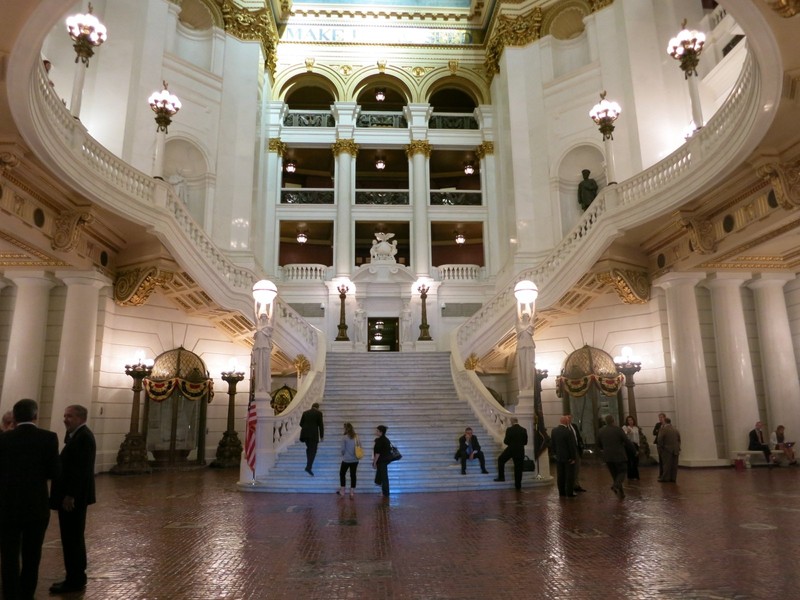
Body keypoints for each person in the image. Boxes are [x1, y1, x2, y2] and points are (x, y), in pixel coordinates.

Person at [0, 399, 60, 600]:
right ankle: (27, 594)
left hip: (7, 506)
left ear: (15, 418)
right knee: (32, 555)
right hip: (36, 506)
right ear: (35, 416)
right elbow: (54, 472)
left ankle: (10, 594)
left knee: (8, 555)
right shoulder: (48, 438)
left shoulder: (4, 439)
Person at [49, 404, 96, 595]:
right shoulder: (77, 435)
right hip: (74, 496)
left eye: (69, 416)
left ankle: (74, 580)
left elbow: (80, 471)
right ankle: (75, 576)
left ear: (80, 418)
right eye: (65, 415)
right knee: (72, 537)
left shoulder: (83, 437)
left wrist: (70, 495)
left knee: (72, 538)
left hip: (73, 499)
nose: (65, 419)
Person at [597, 415, 630, 498]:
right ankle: (616, 486)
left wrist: (604, 449)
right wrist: (634, 451)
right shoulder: (618, 429)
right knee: (622, 471)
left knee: (615, 475)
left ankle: (621, 493)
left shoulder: (601, 431)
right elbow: (626, 440)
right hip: (619, 455)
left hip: (608, 456)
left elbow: (598, 444)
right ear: (613, 421)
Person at [494, 418, 528, 490]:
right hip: (520, 450)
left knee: (501, 459)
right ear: (517, 421)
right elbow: (525, 442)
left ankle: (501, 477)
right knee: (518, 468)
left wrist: (512, 444)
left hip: (511, 449)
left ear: (512, 422)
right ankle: (518, 486)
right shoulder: (523, 430)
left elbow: (506, 441)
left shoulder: (509, 429)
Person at [550, 416, 577, 497]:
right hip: (568, 457)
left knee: (560, 475)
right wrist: (573, 457)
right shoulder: (568, 432)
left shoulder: (554, 431)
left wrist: (554, 454)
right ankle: (569, 492)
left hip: (559, 456)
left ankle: (561, 492)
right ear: (566, 422)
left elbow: (553, 444)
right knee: (569, 475)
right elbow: (571, 446)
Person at [299, 402, 324, 476]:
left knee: (309, 449)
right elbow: (321, 425)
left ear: (312, 406)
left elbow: (301, 424)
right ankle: (308, 467)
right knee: (313, 451)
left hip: (305, 435)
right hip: (313, 435)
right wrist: (322, 436)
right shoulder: (319, 413)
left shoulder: (305, 413)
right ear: (318, 407)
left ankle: (308, 465)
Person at [338, 422, 360, 498]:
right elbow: (360, 446)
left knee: (342, 474)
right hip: (355, 460)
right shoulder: (356, 436)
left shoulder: (344, 437)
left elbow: (343, 450)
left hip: (346, 460)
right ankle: (352, 492)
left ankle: (342, 491)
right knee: (353, 475)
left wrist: (343, 453)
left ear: (346, 429)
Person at [515, 311, 536, 391]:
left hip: (529, 346)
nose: (525, 317)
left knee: (529, 366)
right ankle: (523, 386)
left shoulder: (530, 324)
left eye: (527, 316)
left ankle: (529, 385)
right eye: (523, 316)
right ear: (522, 317)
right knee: (522, 366)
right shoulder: (519, 326)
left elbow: (534, 313)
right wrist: (517, 301)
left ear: (529, 317)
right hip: (521, 346)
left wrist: (534, 300)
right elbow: (516, 316)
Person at [565, 414, 586, 492]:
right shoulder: (564, 428)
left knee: (577, 469)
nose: (569, 419)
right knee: (570, 470)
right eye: (568, 417)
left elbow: (578, 437)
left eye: (570, 417)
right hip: (569, 452)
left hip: (577, 450)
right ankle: (570, 486)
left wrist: (581, 445)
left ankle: (576, 485)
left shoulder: (574, 426)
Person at [657, 418, 681, 482]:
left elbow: (659, 439)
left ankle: (665, 478)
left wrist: (660, 448)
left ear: (665, 422)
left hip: (666, 449)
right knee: (674, 465)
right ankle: (673, 478)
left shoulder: (663, 429)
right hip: (675, 449)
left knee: (666, 465)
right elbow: (679, 439)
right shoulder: (675, 429)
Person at [373, 425, 392, 497]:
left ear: (381, 432)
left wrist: (374, 463)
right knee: (382, 476)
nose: (376, 432)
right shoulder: (386, 440)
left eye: (377, 431)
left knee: (383, 477)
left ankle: (385, 493)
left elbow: (377, 453)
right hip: (385, 460)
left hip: (381, 461)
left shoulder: (380, 441)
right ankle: (384, 492)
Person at [622, 415, 642, 480]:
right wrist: (627, 432)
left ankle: (635, 475)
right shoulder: (625, 427)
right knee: (630, 461)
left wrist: (638, 445)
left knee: (635, 460)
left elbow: (637, 437)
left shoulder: (636, 428)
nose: (630, 421)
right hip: (629, 445)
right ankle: (630, 475)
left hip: (635, 445)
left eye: (631, 420)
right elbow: (623, 435)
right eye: (629, 420)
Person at [653, 413, 667, 478]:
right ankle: (661, 473)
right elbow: (654, 432)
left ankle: (665, 473)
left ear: (664, 418)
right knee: (660, 458)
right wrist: (659, 431)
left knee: (665, 459)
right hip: (659, 443)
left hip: (666, 444)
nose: (660, 419)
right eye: (659, 417)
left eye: (661, 417)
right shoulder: (658, 424)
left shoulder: (667, 425)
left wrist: (658, 431)